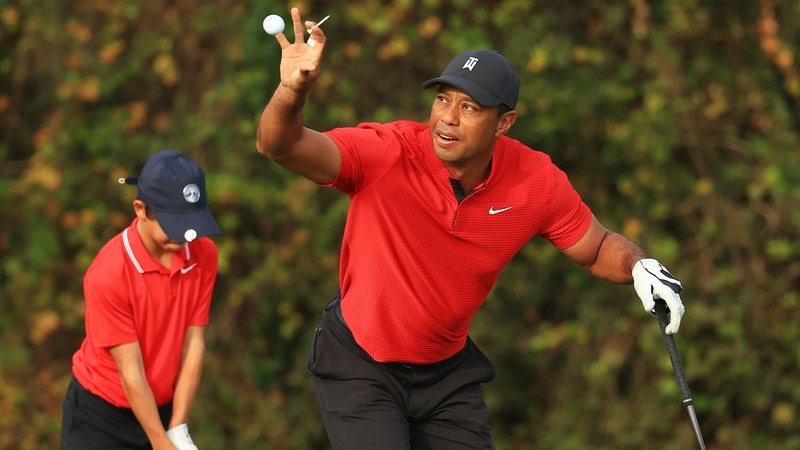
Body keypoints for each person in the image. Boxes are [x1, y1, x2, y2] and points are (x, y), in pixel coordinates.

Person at [256, 8, 686, 450]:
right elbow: (279, 145)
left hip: (446, 376)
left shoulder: (536, 180)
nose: (448, 117)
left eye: (469, 107)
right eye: (443, 99)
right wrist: (291, 91)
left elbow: (594, 249)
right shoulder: (387, 153)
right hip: (360, 362)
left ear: (505, 122)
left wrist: (638, 266)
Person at [60, 149, 221, 450]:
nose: (185, 236)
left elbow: (193, 342)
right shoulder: (108, 274)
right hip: (100, 416)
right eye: (173, 224)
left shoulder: (204, 254)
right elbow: (130, 371)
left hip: (161, 407)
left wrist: (177, 427)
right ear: (140, 209)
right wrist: (160, 443)